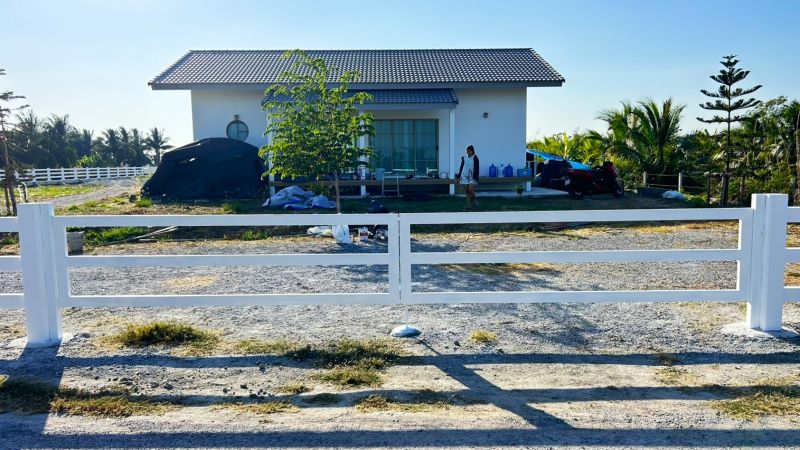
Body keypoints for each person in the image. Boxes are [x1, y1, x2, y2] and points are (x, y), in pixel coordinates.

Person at [455, 145, 479, 210]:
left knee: (471, 190)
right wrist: (458, 176)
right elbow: (461, 167)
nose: (468, 152)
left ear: (472, 151)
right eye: (467, 151)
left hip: (472, 176)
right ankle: (469, 205)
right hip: (464, 176)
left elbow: (477, 168)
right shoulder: (464, 158)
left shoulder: (475, 157)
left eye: (469, 151)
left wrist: (476, 178)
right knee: (467, 191)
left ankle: (474, 199)